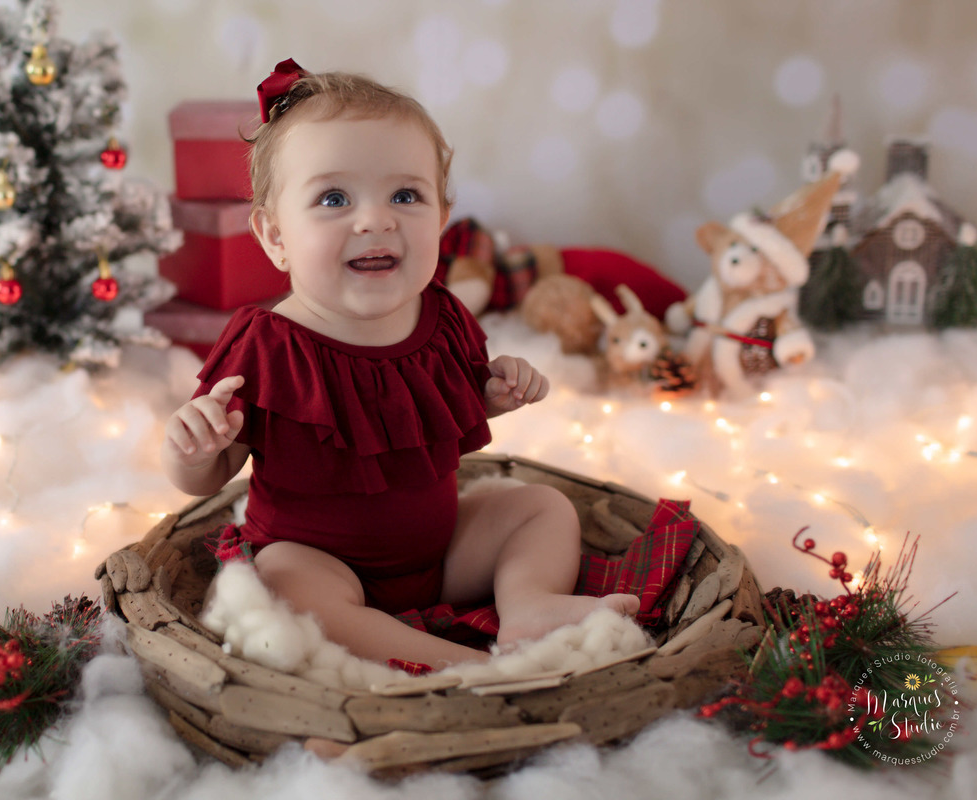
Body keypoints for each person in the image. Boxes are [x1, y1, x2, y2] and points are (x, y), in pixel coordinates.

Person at [162, 59, 639, 670]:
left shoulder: (440, 318)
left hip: (439, 557)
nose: (375, 219)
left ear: (440, 219)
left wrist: (496, 391)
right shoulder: (268, 346)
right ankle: (456, 666)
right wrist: (192, 448)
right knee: (281, 582)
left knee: (539, 507)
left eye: (406, 195)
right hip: (320, 563)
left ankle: (527, 606)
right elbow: (212, 473)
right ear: (275, 235)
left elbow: (445, 417)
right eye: (334, 198)